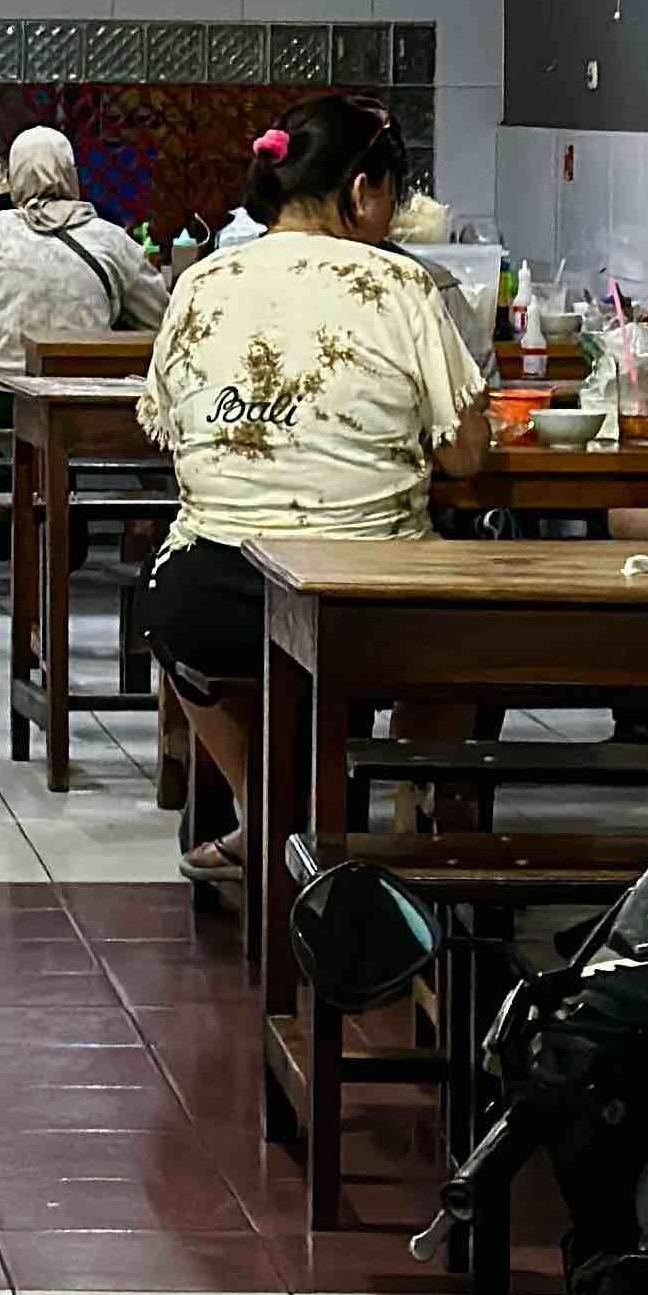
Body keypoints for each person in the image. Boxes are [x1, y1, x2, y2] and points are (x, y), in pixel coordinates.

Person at [137, 98, 488, 864]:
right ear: (362, 192)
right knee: (466, 619)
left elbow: (176, 433)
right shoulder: (400, 284)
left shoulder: (202, 281)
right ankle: (405, 818)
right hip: (372, 596)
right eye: (393, 195)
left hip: (217, 593)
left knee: (164, 601)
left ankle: (263, 811)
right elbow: (464, 455)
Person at [0, 125, 168, 445]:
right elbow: (162, 321)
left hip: (1, 398)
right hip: (82, 399)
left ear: (14, 175)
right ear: (70, 173)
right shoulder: (113, 239)